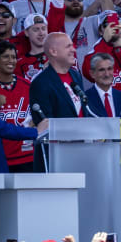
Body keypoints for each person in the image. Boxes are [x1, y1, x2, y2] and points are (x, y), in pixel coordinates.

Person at [85, 53, 121, 213]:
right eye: (101, 70)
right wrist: (110, 148)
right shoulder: (84, 100)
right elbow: (85, 132)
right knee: (99, 211)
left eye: (110, 69)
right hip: (97, 167)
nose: (106, 74)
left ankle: (120, 239)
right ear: (92, 74)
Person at [29, 32, 84, 172]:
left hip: (83, 149)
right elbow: (45, 124)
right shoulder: (40, 83)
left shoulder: (76, 76)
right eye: (68, 46)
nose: (74, 50)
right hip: (57, 156)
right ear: (53, 51)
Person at [0, 41, 35, 173]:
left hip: (26, 157)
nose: (11, 60)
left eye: (14, 57)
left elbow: (37, 115)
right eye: (6, 56)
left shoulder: (27, 85)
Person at [60, 0, 103, 85]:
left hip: (92, 85)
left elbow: (111, 16)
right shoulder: (56, 27)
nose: (75, 1)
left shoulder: (93, 21)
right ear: (62, 2)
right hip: (67, 85)